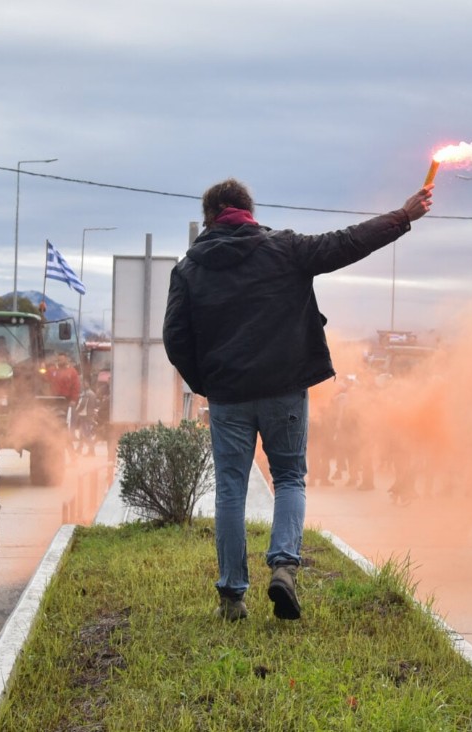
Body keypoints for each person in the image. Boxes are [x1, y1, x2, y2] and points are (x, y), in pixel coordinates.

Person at [163, 178, 432, 621]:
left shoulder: (190, 268)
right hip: (284, 389)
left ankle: (232, 596)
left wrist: (207, 382)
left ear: (210, 217)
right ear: (249, 211)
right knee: (289, 477)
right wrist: (403, 217)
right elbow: (348, 243)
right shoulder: (284, 248)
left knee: (230, 490)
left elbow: (175, 338)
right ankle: (284, 566)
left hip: (228, 394)